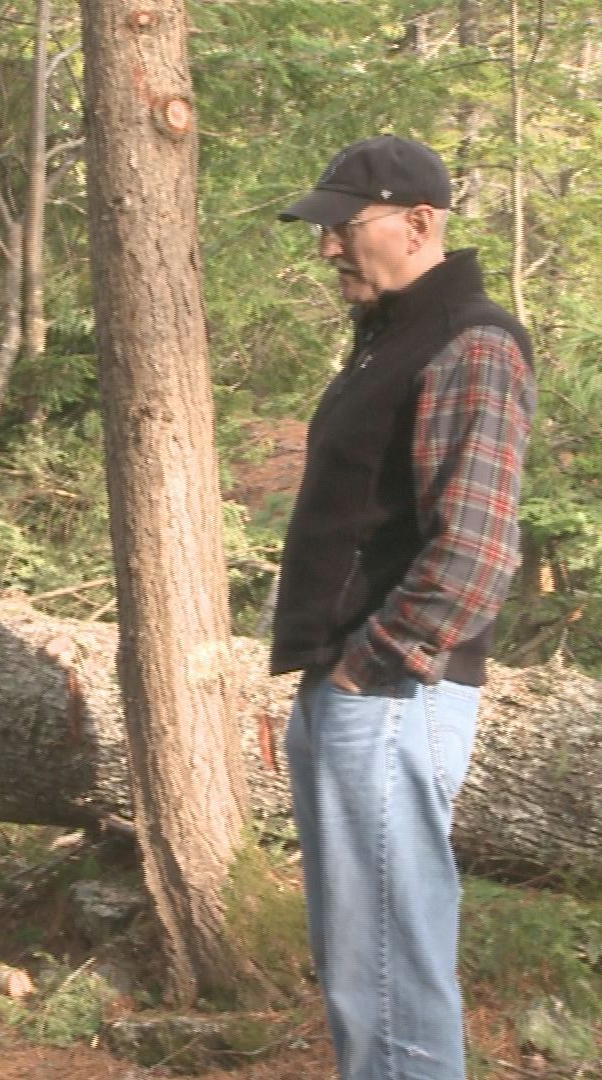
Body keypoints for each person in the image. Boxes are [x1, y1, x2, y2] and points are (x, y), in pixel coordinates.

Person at [272, 134, 536, 1080]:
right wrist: (322, 683)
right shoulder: (393, 340)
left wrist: (361, 668)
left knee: (391, 973)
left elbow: (476, 551)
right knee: (362, 970)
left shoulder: (472, 340)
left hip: (389, 695)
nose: (327, 248)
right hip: (355, 694)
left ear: (419, 223)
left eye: (344, 227)